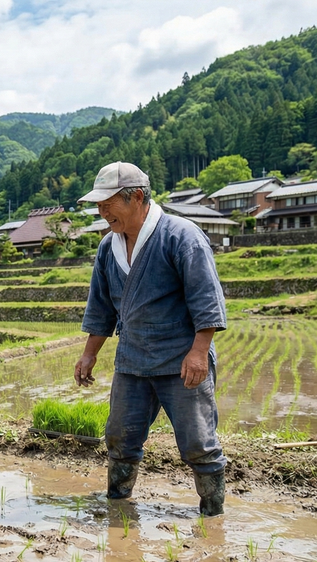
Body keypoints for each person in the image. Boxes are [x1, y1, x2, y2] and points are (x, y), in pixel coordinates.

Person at [74, 161, 227, 516]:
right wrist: (89, 354)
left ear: (137, 197)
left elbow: (206, 298)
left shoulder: (180, 236)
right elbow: (100, 307)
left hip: (180, 357)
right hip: (132, 359)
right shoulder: (107, 248)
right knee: (120, 438)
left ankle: (213, 514)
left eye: (108, 203)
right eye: (98, 205)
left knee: (198, 443)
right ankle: (117, 504)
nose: (102, 212)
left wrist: (199, 352)